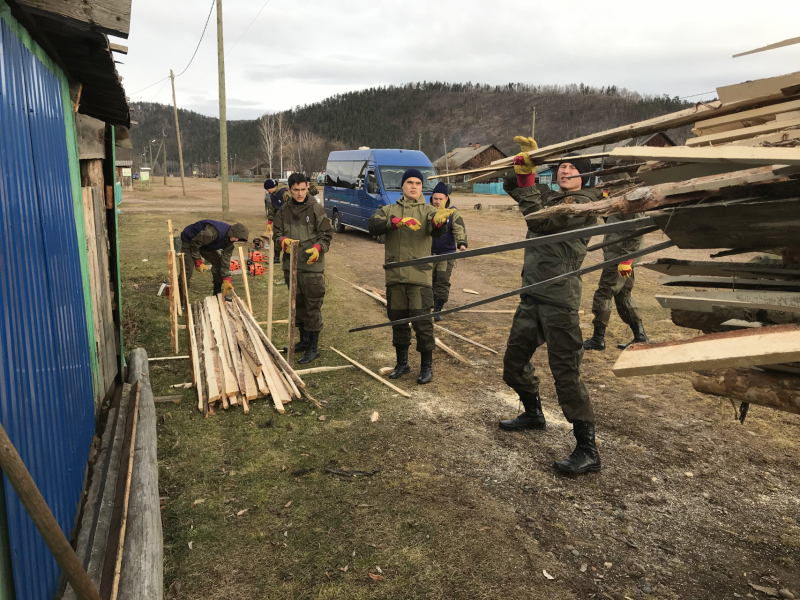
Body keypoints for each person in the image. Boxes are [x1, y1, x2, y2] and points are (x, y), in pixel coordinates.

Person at [499, 135, 602, 475]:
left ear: (585, 177)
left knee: (566, 375)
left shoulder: (584, 204)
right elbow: (512, 186)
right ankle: (533, 413)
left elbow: (539, 220)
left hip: (560, 300)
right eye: (560, 167)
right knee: (513, 365)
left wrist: (531, 185)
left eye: (572, 168)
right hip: (532, 295)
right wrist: (529, 167)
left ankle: (588, 450)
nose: (565, 171)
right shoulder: (552, 196)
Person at [368, 169, 452, 384]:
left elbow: (437, 231)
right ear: (402, 186)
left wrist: (440, 223)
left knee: (423, 323)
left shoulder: (429, 211)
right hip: (395, 276)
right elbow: (372, 226)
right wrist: (394, 222)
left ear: (421, 187)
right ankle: (402, 364)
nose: (414, 186)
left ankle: (426, 367)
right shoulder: (389, 210)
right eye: (409, 182)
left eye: (417, 183)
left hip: (419, 278)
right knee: (398, 321)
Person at [273, 172, 333, 364]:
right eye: (296, 190)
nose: (300, 193)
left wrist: (317, 248)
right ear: (289, 190)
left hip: (312, 268)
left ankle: (313, 348)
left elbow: (326, 235)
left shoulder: (316, 209)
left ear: (308, 187)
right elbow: (276, 233)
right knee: (296, 305)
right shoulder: (283, 211)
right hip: (291, 267)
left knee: (312, 306)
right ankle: (304, 341)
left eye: (303, 189)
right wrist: (282, 241)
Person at [583, 211, 649, 351]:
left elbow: (637, 229)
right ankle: (640, 336)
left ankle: (598, 339)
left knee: (604, 294)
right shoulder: (621, 199)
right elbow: (614, 223)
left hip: (620, 258)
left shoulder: (631, 200)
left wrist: (627, 259)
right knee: (623, 295)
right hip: (619, 256)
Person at [429, 182, 467, 321]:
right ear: (432, 198)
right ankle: (427, 308)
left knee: (442, 282)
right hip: (427, 255)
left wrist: (461, 243)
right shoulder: (427, 210)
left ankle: (437, 310)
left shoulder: (452, 212)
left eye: (441, 199)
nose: (438, 202)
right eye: (435, 199)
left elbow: (459, 229)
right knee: (428, 282)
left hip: (446, 254)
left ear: (447, 198)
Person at [180, 220, 249, 297]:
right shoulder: (213, 232)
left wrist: (226, 279)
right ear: (232, 232)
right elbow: (195, 242)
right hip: (190, 241)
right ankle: (181, 298)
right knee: (188, 269)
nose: (236, 240)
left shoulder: (229, 243)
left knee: (218, 263)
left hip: (205, 245)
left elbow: (225, 261)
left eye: (238, 238)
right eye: (236, 237)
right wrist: (198, 261)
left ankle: (217, 293)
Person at [265, 177, 320, 263]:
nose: (267, 191)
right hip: (280, 219)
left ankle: (294, 256)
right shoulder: (273, 195)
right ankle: (276, 257)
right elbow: (272, 208)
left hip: (288, 219)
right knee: (278, 238)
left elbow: (291, 205)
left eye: (268, 189)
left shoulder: (284, 193)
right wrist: (269, 222)